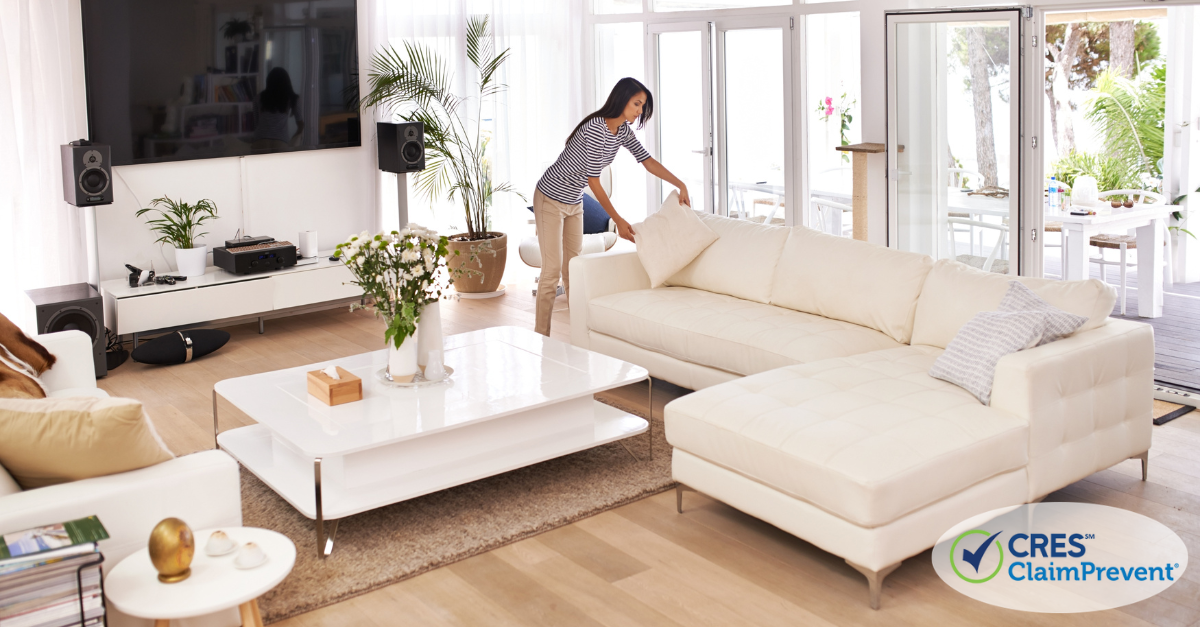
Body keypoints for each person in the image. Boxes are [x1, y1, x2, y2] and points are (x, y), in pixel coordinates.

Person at [533, 77, 691, 336]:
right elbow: (594, 182)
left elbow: (647, 161)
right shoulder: (596, 128)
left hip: (574, 200)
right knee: (552, 272)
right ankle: (541, 338)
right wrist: (618, 219)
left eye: (642, 106)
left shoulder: (622, 131)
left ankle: (580, 336)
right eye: (636, 104)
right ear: (622, 99)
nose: (640, 111)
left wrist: (680, 183)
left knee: (573, 268)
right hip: (550, 197)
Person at [251, 67, 304, 150]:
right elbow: (301, 125)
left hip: (259, 141)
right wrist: (294, 140)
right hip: (281, 142)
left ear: (268, 81)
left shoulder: (258, 98)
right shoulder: (292, 98)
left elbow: (256, 124)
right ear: (287, 82)